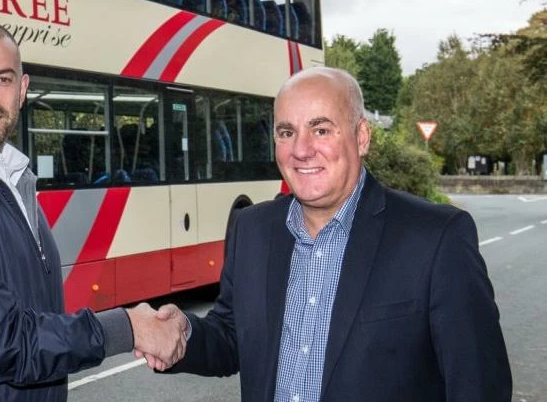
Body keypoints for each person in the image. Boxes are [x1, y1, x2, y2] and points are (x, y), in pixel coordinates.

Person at [145, 67, 511, 401]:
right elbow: (232, 336)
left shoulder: (436, 238)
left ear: (362, 137)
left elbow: (479, 386)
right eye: (286, 132)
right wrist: (182, 335)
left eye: (320, 130)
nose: (301, 150)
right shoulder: (252, 229)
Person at [0, 20, 184, 401]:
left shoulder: (11, 178)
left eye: (3, 80)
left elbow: (35, 320)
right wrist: (130, 328)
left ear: (22, 90)